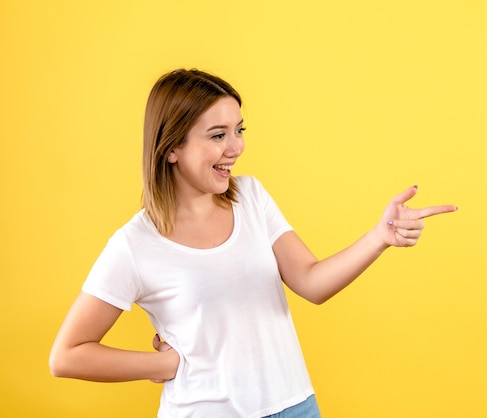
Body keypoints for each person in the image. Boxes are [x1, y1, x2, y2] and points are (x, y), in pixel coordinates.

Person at [49, 68, 457, 418]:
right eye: (217, 135)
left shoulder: (251, 197)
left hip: (295, 405)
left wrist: (379, 237)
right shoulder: (135, 244)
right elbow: (67, 355)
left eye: (239, 130)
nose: (236, 147)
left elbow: (311, 283)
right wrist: (159, 363)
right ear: (172, 147)